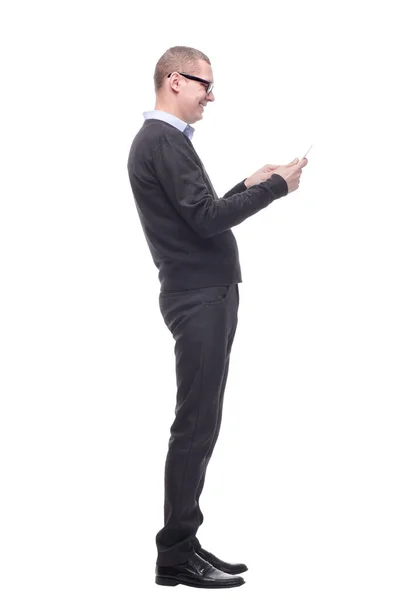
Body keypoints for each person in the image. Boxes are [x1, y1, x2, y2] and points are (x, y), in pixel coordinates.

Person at [127, 46, 308, 589]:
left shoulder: (164, 142)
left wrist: (247, 187)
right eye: (205, 84)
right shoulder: (162, 140)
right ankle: (176, 555)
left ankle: (185, 540)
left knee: (201, 422)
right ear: (174, 80)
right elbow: (206, 222)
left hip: (204, 292)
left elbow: (197, 216)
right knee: (196, 425)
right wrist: (276, 188)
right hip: (199, 296)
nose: (211, 96)